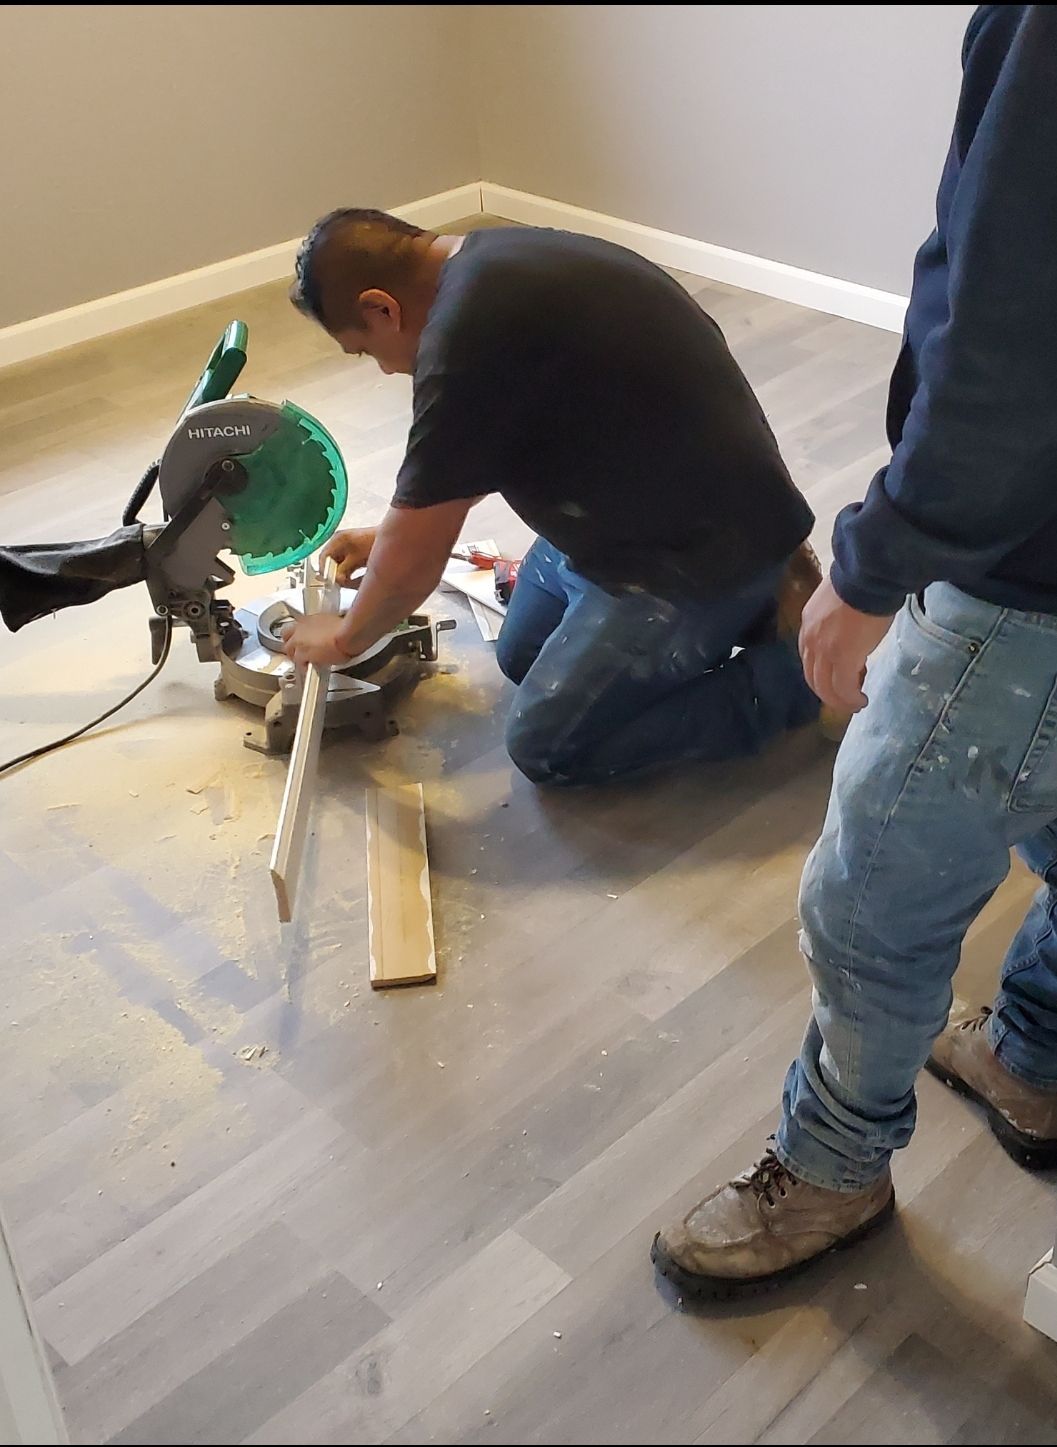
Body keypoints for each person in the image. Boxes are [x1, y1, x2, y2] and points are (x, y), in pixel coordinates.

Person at [653, 2, 1057, 1299]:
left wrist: (873, 567)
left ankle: (831, 1164)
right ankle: (1038, 1051)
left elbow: (1008, 342)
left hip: (1021, 583)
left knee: (869, 894)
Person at [281, 209, 825, 786]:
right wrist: (388, 539)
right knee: (521, 658)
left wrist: (343, 638)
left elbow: (414, 563)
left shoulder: (466, 335)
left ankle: (801, 677)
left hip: (691, 556)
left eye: (365, 351)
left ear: (381, 308)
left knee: (550, 744)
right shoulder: (495, 259)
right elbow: (500, 435)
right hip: (639, 517)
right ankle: (751, 603)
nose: (387, 370)